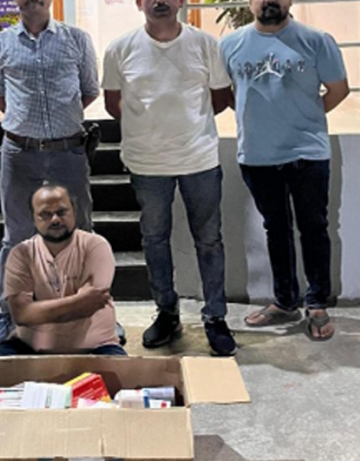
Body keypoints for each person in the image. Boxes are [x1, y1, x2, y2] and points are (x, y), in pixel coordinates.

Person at [102, 0, 237, 356]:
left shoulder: (205, 44)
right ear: (139, 3)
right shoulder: (119, 48)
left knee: (209, 240)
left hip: (199, 159)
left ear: (180, 2)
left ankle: (215, 317)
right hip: (147, 163)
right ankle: (167, 312)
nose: (159, 2)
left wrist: (186, 124)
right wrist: (149, 126)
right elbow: (113, 104)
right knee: (155, 239)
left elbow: (220, 98)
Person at [0, 0, 108, 349]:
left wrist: (58, 126)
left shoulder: (77, 39)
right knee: (16, 236)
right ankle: (10, 312)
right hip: (19, 154)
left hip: (68, 152)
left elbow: (89, 90)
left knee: (81, 233)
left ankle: (93, 310)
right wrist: (30, 126)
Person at [220, 0, 349, 340]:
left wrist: (304, 117)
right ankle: (285, 301)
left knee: (314, 228)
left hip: (308, 154)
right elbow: (227, 93)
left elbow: (338, 90)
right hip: (257, 155)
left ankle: (317, 303)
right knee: (275, 229)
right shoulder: (230, 44)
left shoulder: (316, 40)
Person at [0, 184, 126, 376]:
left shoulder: (95, 246)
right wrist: (78, 301)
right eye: (45, 214)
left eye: (62, 212)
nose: (55, 219)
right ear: (33, 218)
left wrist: (37, 311)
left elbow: (91, 304)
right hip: (30, 348)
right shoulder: (21, 254)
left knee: (120, 374)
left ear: (74, 211)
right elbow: (21, 315)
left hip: (95, 348)